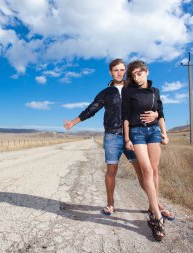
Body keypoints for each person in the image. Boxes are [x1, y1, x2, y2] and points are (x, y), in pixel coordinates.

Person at [63, 59, 157, 216]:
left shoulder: (133, 88)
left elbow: (150, 102)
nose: (119, 73)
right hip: (112, 136)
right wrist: (73, 122)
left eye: (122, 70)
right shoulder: (106, 93)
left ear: (125, 71)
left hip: (133, 135)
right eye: (116, 70)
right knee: (111, 170)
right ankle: (110, 204)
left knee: (142, 171)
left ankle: (154, 204)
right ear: (110, 72)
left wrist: (155, 113)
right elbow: (91, 109)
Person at [122, 60, 170, 241]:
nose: (136, 77)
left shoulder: (155, 91)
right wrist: (127, 139)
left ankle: (152, 208)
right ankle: (157, 215)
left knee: (155, 170)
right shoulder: (129, 91)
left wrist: (164, 133)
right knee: (147, 170)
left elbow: (161, 113)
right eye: (133, 75)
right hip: (137, 133)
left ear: (146, 72)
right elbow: (125, 116)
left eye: (139, 73)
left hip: (154, 132)